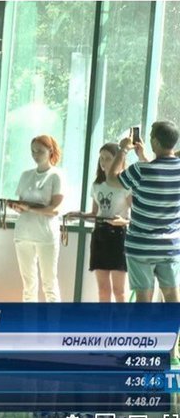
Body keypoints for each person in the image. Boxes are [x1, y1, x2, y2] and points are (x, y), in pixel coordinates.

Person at [106, 121, 180, 303]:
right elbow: (160, 177)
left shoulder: (140, 170)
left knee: (143, 297)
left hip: (140, 246)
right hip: (169, 246)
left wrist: (123, 150)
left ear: (155, 142)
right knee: (171, 295)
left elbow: (111, 180)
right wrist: (143, 157)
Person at [68, 143, 131, 302]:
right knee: (103, 290)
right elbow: (95, 214)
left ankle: (122, 319)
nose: (103, 162)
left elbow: (136, 217)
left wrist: (123, 222)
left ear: (119, 160)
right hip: (100, 236)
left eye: (108, 158)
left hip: (119, 237)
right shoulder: (96, 185)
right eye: (101, 158)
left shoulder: (126, 184)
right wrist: (79, 215)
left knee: (119, 291)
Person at [8, 135, 66, 302]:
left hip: (45, 234)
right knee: (28, 284)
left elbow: (55, 209)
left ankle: (53, 319)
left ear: (50, 151)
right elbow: (22, 204)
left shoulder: (56, 175)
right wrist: (17, 207)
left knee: (49, 283)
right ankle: (29, 319)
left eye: (40, 151)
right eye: (33, 151)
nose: (35, 155)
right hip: (23, 233)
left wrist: (30, 208)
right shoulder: (26, 175)